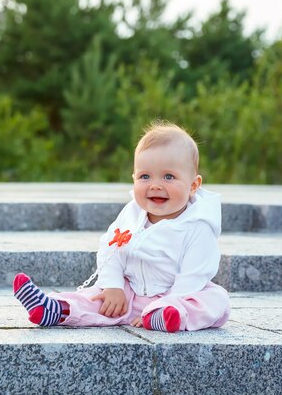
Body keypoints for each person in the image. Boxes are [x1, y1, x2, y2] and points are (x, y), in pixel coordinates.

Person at [13, 120, 230, 332]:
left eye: (168, 176)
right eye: (145, 176)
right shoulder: (132, 213)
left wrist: (167, 302)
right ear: (134, 178)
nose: (155, 185)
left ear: (193, 185)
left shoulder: (198, 226)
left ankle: (163, 317)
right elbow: (111, 248)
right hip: (130, 294)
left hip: (176, 296)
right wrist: (114, 286)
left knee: (215, 300)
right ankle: (56, 309)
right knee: (95, 297)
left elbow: (194, 275)